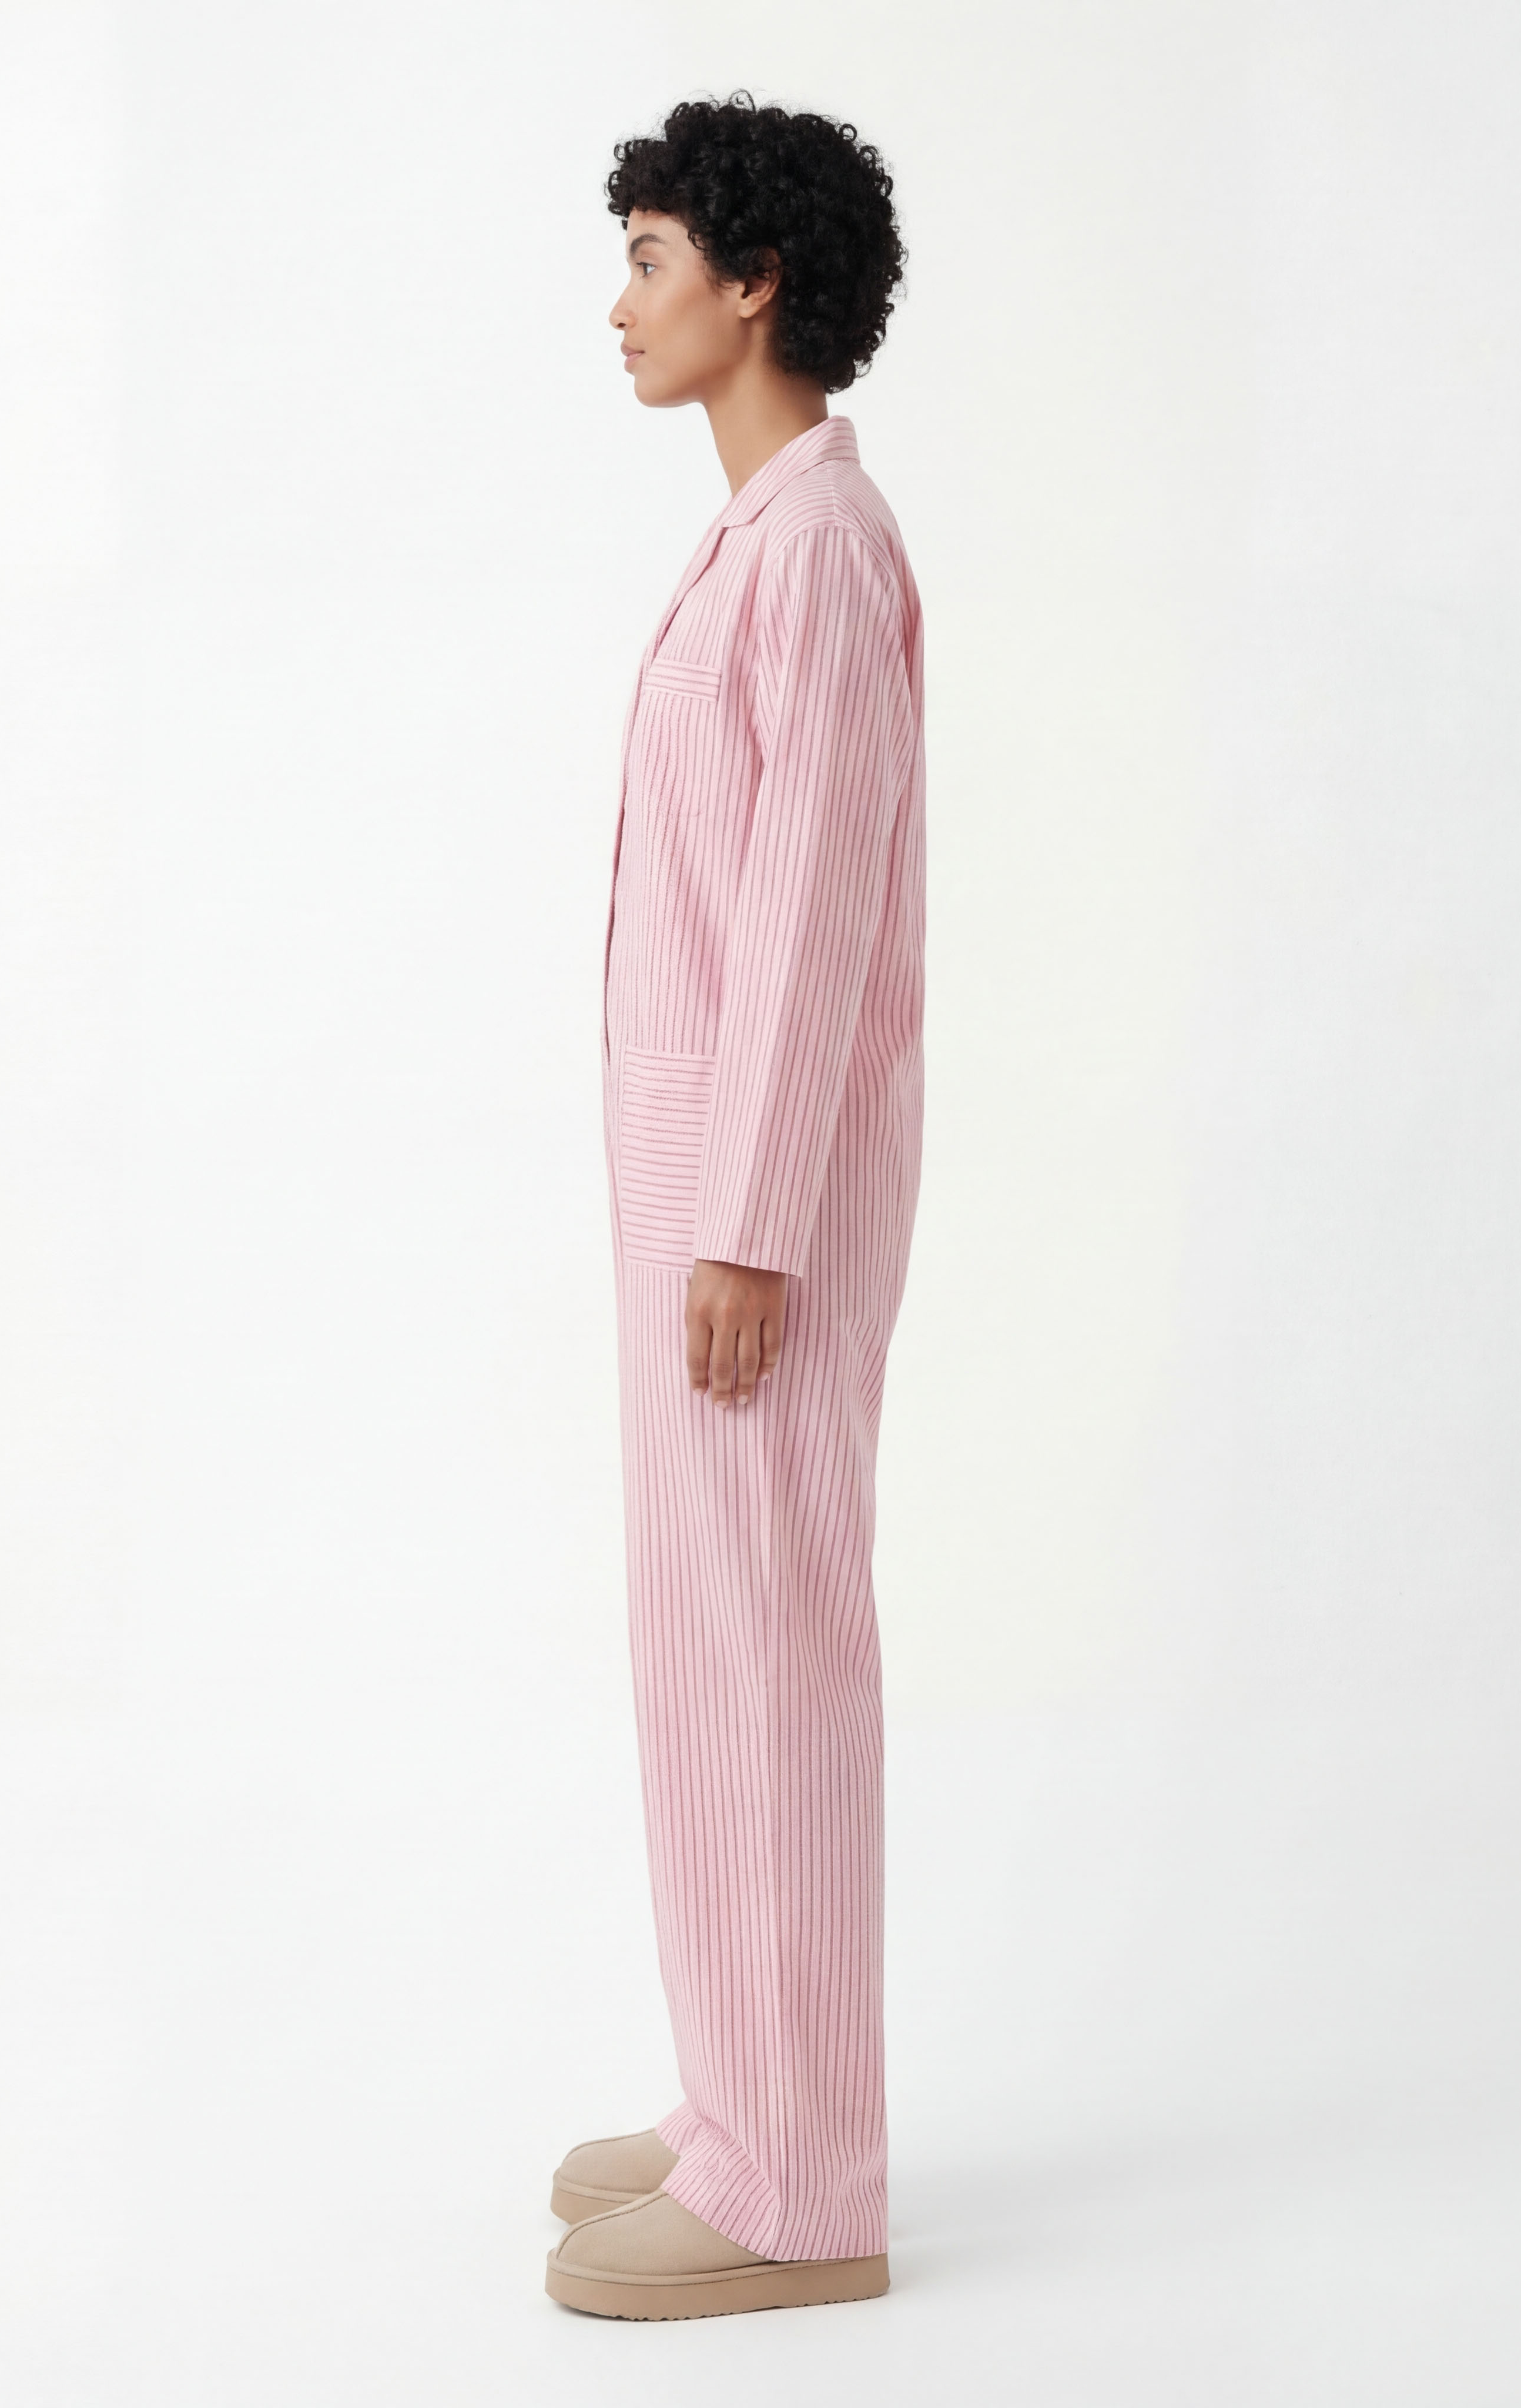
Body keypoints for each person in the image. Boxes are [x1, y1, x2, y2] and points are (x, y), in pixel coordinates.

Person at [541, 95, 924, 2322]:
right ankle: (742, 2105)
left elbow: (808, 911)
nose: (622, 304)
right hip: (695, 1190)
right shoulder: (759, 542)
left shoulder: (823, 552)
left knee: (769, 1652)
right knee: (702, 1650)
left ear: (755, 282)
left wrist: (754, 1218)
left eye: (652, 258)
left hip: (746, 1210)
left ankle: (806, 2183)